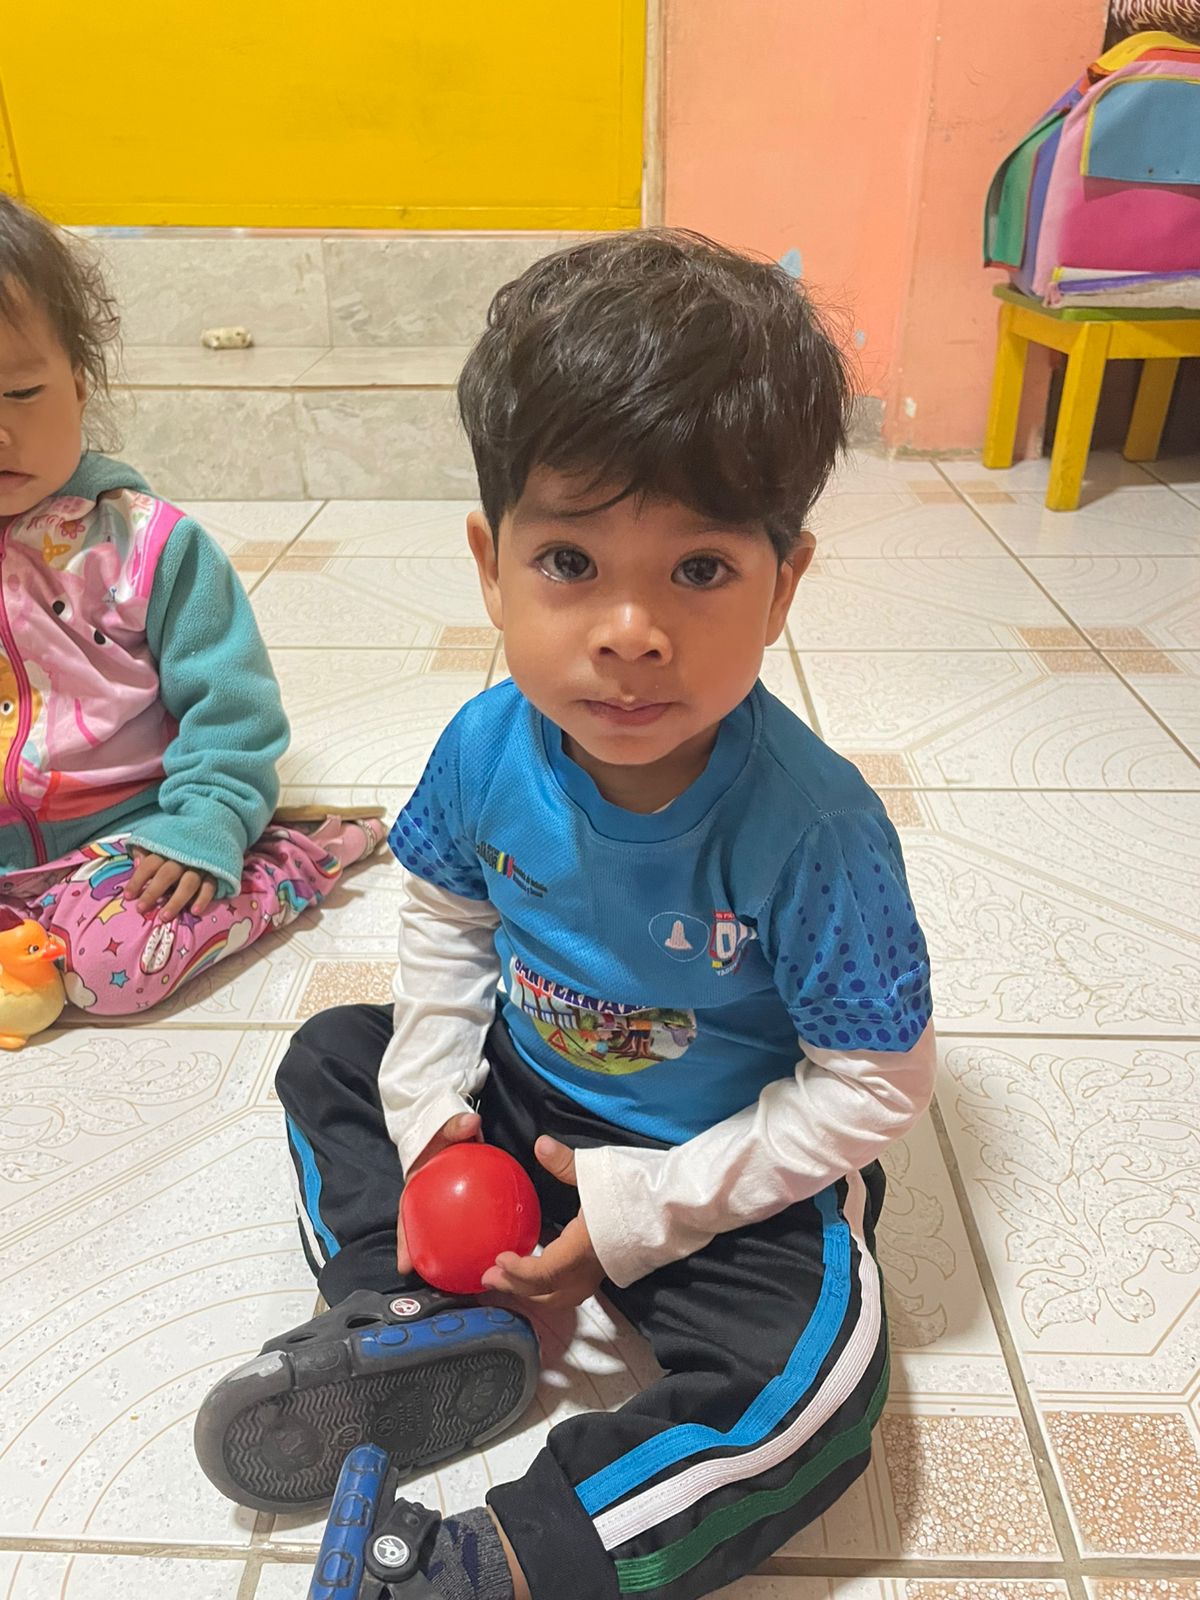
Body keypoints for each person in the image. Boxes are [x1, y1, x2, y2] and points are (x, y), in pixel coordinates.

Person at [196, 231, 937, 1600]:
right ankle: (397, 1308)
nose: (630, 630)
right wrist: (434, 1115)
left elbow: (873, 1086)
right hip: (522, 1095)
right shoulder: (485, 746)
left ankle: (503, 1562)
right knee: (335, 1056)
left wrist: (645, 1212)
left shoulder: (817, 831)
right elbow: (446, 920)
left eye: (699, 570)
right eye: (571, 561)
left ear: (785, 582)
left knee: (816, 1382)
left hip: (715, 1162)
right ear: (493, 565)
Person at [0, 192, 382, 1020]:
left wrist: (205, 822)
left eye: (21, 392)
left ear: (79, 383)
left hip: (134, 836)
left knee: (112, 971)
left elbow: (234, 712)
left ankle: (290, 858)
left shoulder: (148, 545)